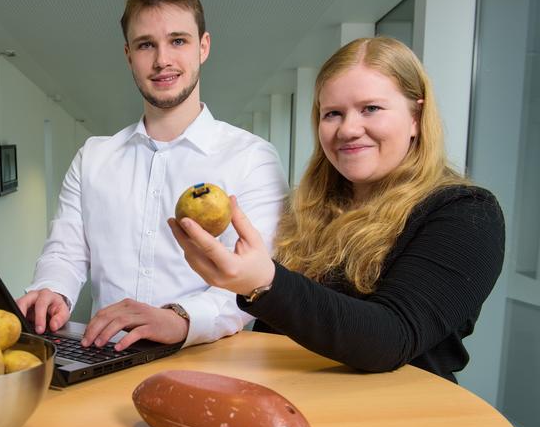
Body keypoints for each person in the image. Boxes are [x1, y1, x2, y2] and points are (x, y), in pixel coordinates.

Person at [169, 37, 505, 382]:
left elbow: (391, 337)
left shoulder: (467, 213)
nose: (348, 129)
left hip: (397, 425)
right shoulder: (308, 212)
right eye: (333, 114)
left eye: (371, 108)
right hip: (295, 413)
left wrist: (264, 282)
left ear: (416, 117)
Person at [17, 0, 289, 351]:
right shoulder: (93, 158)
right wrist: (52, 290)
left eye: (178, 41)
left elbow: (256, 283)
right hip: (104, 356)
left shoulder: (253, 159)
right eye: (146, 45)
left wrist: (178, 318)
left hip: (209, 363)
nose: (163, 60)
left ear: (203, 47)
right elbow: (65, 251)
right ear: (129, 54)